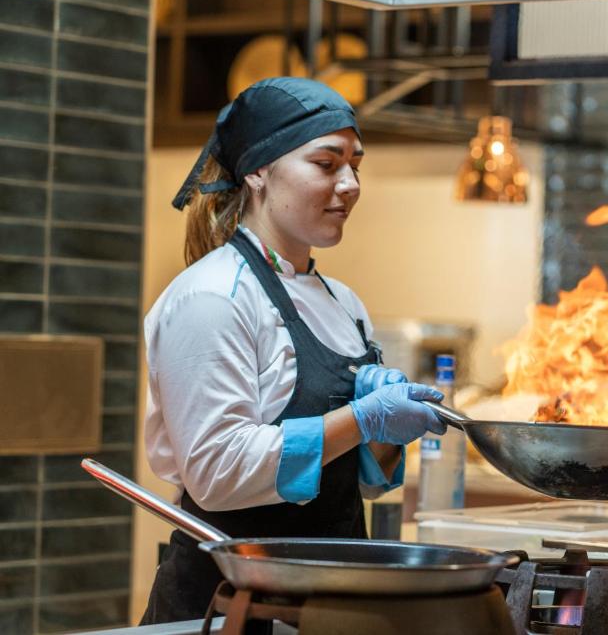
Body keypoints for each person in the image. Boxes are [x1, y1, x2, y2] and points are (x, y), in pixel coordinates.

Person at [140, 77, 447, 623]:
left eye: (356, 164)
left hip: (331, 604)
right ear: (258, 171)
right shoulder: (212, 298)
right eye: (327, 164)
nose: (350, 184)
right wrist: (359, 417)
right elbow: (217, 472)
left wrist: (382, 437)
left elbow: (357, 486)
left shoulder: (343, 302)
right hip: (229, 608)